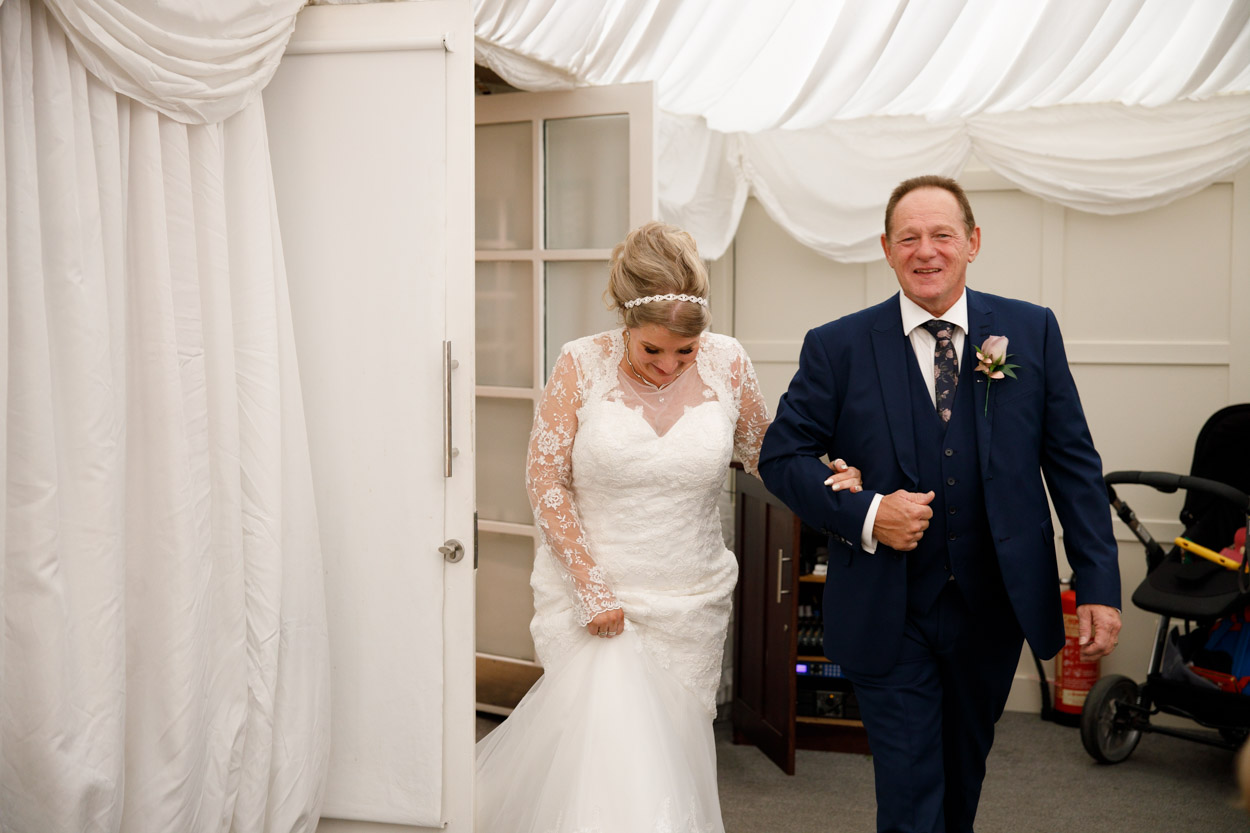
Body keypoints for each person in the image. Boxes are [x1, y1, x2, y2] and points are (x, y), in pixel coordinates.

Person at [758, 175, 1122, 833]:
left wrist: (1098, 582)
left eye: (942, 235)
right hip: (887, 608)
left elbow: (1072, 464)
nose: (926, 251)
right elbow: (781, 456)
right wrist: (869, 512)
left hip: (992, 605)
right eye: (909, 237)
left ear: (973, 242)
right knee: (909, 784)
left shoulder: (1029, 332)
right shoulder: (837, 346)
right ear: (887, 248)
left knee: (962, 776)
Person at [475, 221, 861, 833]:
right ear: (623, 321)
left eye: (685, 352)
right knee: (602, 764)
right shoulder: (580, 362)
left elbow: (768, 455)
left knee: (670, 755)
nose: (668, 366)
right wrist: (591, 586)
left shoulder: (728, 360)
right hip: (596, 597)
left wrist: (825, 472)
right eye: (651, 350)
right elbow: (545, 480)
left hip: (690, 597)